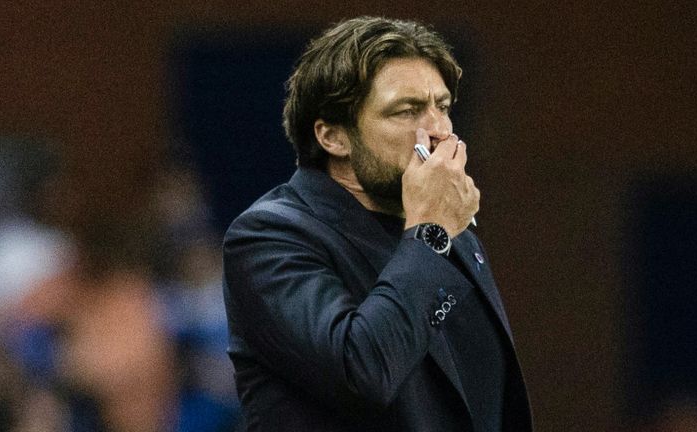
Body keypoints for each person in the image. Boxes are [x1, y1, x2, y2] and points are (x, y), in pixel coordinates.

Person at [223, 16, 532, 431]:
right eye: (407, 111)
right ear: (333, 137)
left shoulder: (455, 237)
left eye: (442, 107)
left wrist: (434, 231)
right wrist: (431, 231)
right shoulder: (269, 238)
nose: (438, 131)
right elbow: (362, 370)